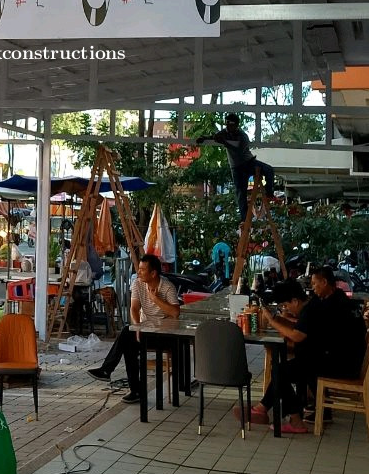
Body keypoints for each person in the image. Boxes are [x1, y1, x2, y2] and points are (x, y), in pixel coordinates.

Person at [250, 266, 366, 433]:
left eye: (314, 283)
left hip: (343, 364)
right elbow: (309, 329)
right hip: (344, 358)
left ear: (324, 282)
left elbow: (298, 335)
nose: (312, 288)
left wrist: (272, 321)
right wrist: (282, 320)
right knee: (296, 362)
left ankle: (292, 419)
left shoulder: (326, 305)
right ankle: (267, 408)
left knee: (282, 371)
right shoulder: (335, 299)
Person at [86, 253, 180, 402]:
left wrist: (155, 299)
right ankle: (134, 390)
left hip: (164, 334)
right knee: (128, 340)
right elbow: (134, 308)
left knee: (126, 335)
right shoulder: (138, 283)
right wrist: (137, 327)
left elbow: (175, 312)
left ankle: (107, 370)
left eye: (142, 270)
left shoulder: (167, 287)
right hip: (144, 331)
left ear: (153, 273)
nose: (139, 272)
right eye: (139, 269)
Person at [197, 114, 277, 223]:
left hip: (248, 163)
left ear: (236, 125)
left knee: (269, 170)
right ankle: (245, 219)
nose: (227, 126)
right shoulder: (224, 133)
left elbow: (239, 150)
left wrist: (224, 142)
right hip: (237, 168)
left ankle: (269, 194)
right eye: (226, 123)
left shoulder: (242, 136)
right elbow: (214, 136)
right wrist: (204, 138)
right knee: (240, 193)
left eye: (230, 124)